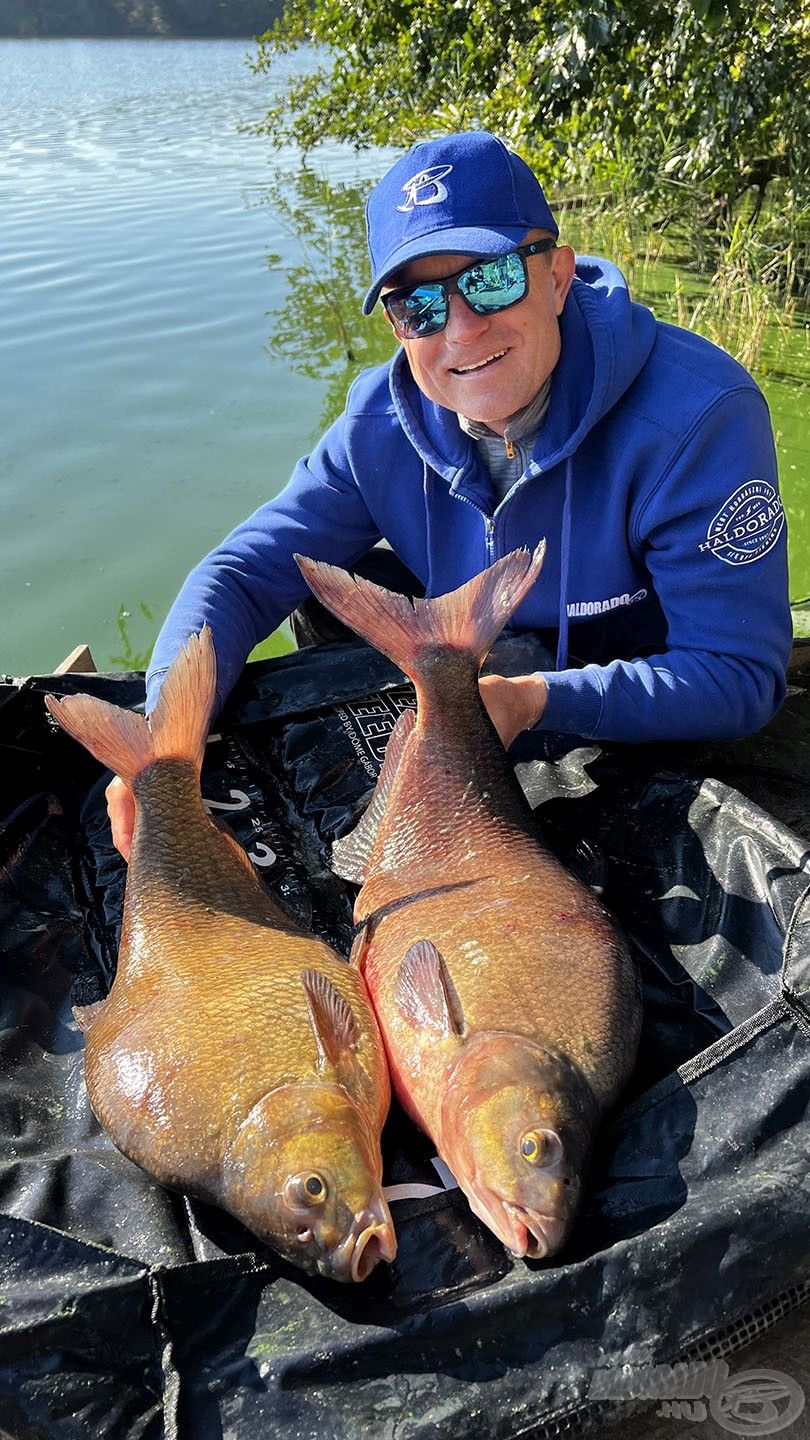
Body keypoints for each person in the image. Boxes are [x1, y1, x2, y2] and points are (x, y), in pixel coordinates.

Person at [107, 130, 791, 858]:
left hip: (634, 678)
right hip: (475, 659)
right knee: (316, 581)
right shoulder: (378, 423)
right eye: (419, 307)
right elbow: (240, 573)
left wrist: (535, 699)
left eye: (492, 277)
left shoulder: (697, 417)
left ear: (558, 276)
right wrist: (166, 746)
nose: (462, 330)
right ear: (397, 325)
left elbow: (738, 676)